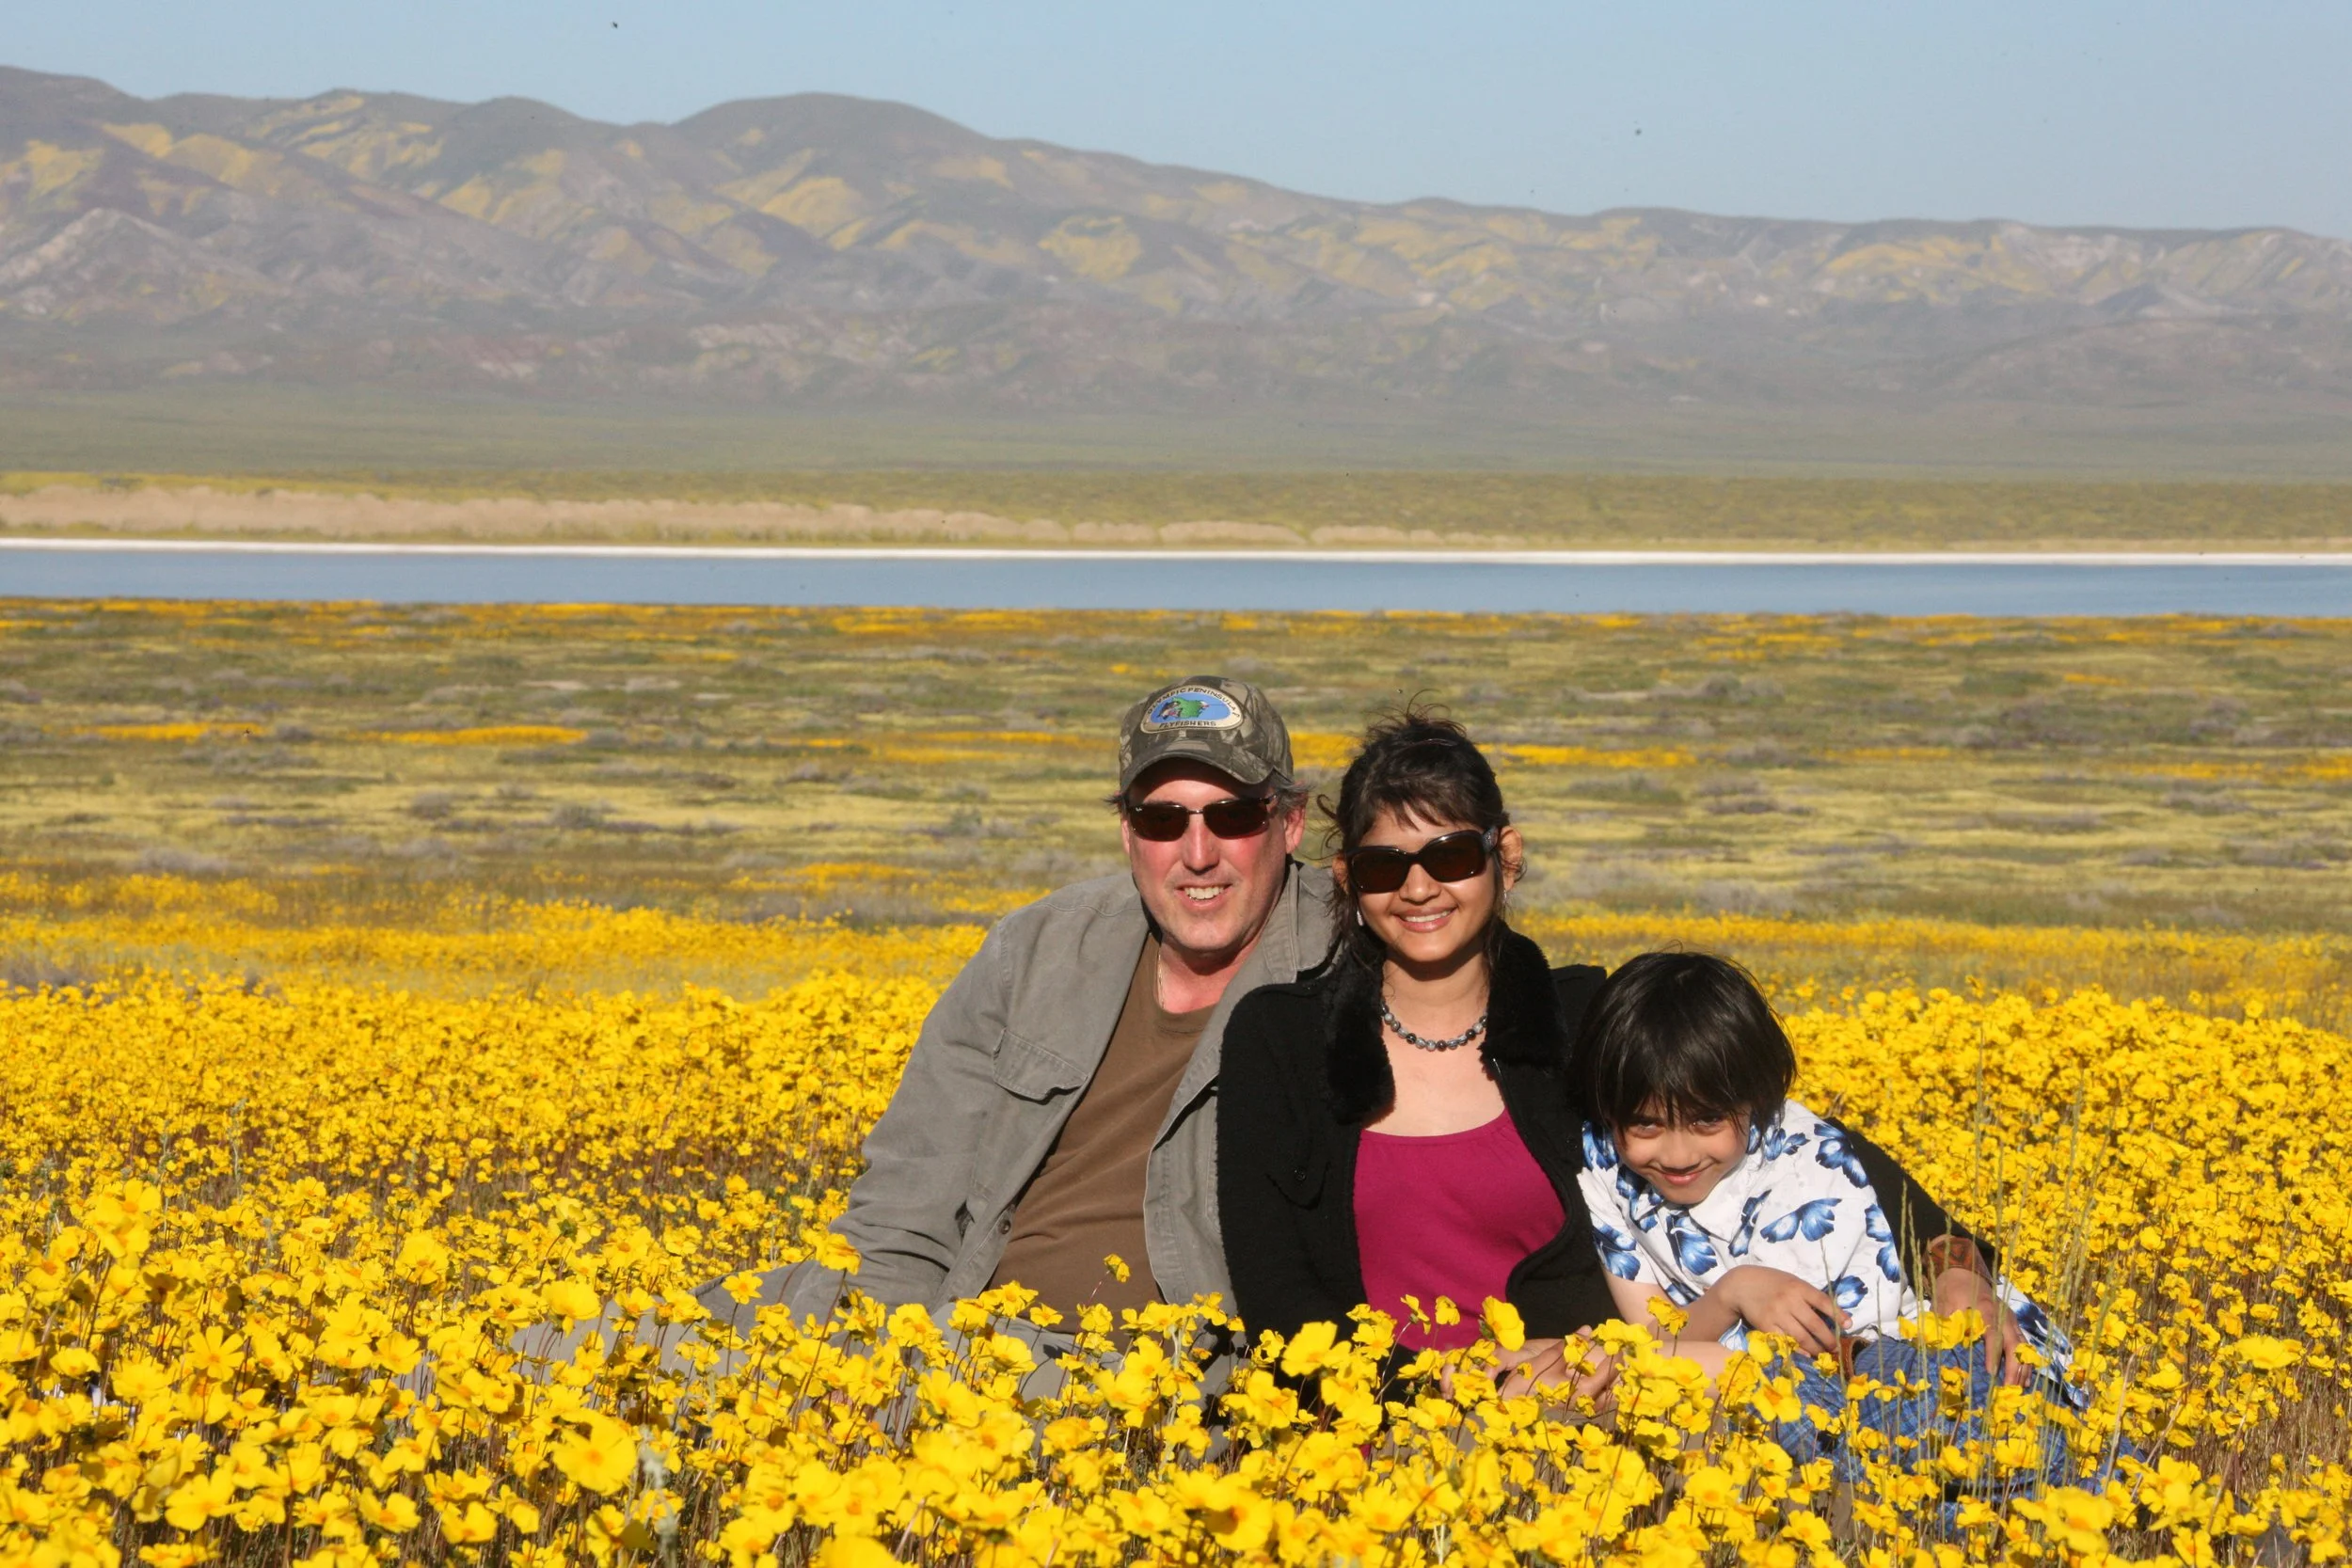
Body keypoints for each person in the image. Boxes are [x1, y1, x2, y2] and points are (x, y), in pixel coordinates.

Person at [1217, 710, 1988, 1399]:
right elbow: (1279, 1298)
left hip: (1594, 1415)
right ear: (1349, 879)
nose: (1419, 888)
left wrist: (1960, 1267)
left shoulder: (1583, 1015)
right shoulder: (1281, 1040)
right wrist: (1439, 1392)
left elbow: (1806, 1146)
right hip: (1374, 1427)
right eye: (1386, 865)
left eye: (1450, 857)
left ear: (1504, 855)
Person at [696, 674, 1337, 1344]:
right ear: (1127, 833)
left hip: (1128, 1375)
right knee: (641, 1344)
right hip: (945, 1330)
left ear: (1290, 823)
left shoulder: (1347, 963)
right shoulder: (1036, 949)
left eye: (1233, 817)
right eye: (1161, 820)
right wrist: (854, 1353)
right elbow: (906, 1207)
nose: (1197, 855)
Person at [1569, 950, 2092, 1481]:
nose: (1678, 1155)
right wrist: (1732, 1293)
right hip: (1790, 1387)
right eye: (1646, 1125)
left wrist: (1966, 1280)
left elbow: (1928, 1235)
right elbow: (1657, 1342)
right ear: (1607, 1108)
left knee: (2006, 1431)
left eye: (1707, 1121)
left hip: (1912, 1353)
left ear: (1755, 1097)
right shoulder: (1608, 1181)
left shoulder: (1813, 1147)